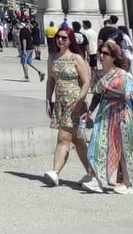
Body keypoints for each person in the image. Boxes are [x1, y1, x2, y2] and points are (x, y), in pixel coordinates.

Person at [41, 23, 99, 189]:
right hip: (60, 101)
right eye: (58, 37)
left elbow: (87, 81)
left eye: (64, 38)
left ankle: (55, 171)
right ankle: (92, 173)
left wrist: (81, 100)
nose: (60, 40)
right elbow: (50, 81)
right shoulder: (52, 57)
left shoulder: (76, 58)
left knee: (63, 137)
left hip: (74, 101)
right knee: (78, 141)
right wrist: (47, 99)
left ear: (70, 40)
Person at [85, 38, 133, 193]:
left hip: (121, 113)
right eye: (100, 53)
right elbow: (97, 95)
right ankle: (97, 180)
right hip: (104, 113)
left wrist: (109, 88)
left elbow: (126, 95)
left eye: (106, 53)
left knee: (122, 148)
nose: (101, 56)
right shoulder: (98, 74)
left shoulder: (122, 74)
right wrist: (89, 111)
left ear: (114, 57)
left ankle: (127, 184)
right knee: (97, 144)